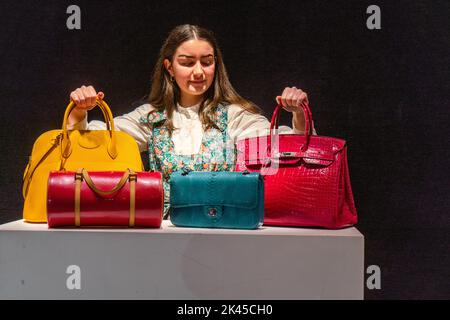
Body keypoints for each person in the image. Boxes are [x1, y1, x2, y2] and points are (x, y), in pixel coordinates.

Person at [67, 24, 316, 217]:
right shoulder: (150, 118)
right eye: (187, 63)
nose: (198, 71)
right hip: (164, 233)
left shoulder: (234, 117)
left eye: (206, 62)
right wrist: (81, 110)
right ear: (169, 67)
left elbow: (285, 147)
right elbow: (96, 139)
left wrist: (297, 113)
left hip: (220, 231)